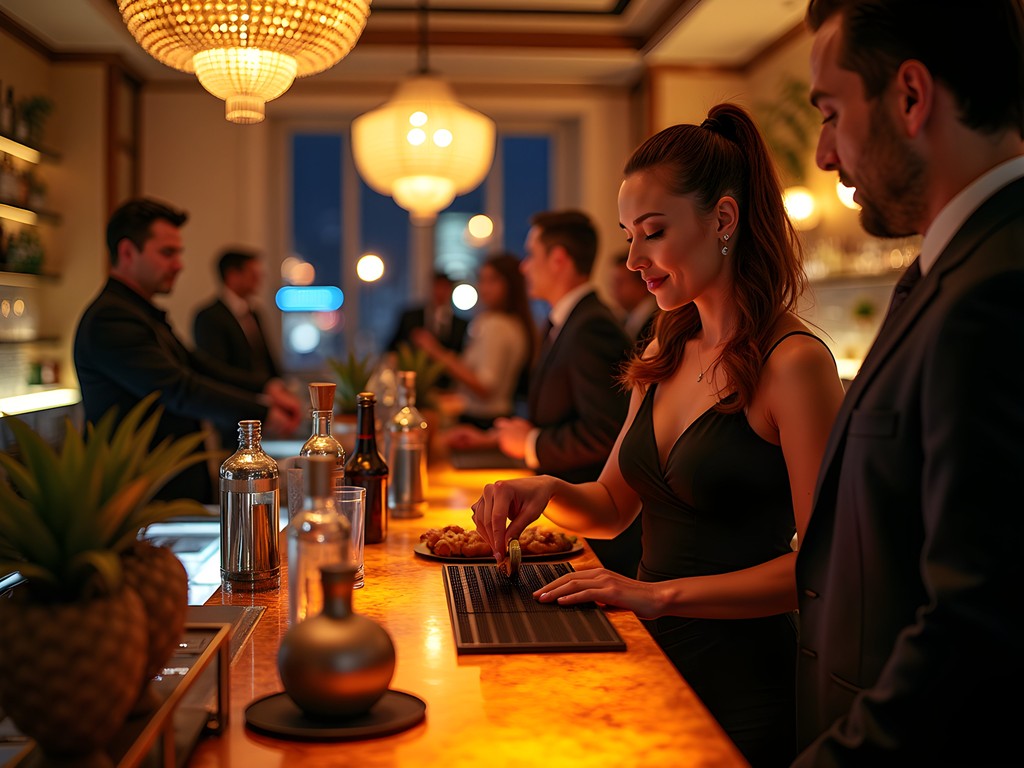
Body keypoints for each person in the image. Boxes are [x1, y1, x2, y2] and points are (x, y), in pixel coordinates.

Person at [470, 105, 846, 766]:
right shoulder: (665, 347)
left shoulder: (795, 364)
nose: (633, 259)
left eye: (652, 232)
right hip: (651, 659)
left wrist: (654, 594)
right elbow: (614, 510)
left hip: (744, 682)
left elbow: (823, 568)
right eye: (627, 235)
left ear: (723, 220)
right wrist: (547, 486)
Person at [792, 2, 1024, 765]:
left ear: (911, 97)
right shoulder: (945, 269)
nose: (824, 155)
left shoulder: (997, 288)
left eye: (830, 113)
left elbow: (977, 625)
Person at [450, 210, 642, 575]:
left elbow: (606, 433)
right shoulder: (568, 321)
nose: (524, 267)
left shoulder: (591, 327)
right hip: (568, 512)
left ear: (558, 259)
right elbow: (563, 412)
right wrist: (493, 438)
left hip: (593, 530)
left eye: (531, 255)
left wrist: (531, 443)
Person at [74, 198, 302, 504]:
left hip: (167, 487)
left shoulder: (139, 312)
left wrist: (266, 387)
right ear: (128, 252)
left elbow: (196, 365)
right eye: (168, 253)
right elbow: (178, 389)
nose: (179, 264)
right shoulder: (111, 318)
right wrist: (262, 413)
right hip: (141, 497)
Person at [412, 252, 536, 429]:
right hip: (495, 416)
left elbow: (485, 387)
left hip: (484, 420)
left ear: (510, 284)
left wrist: (436, 352)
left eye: (493, 280)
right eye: (482, 279)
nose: (484, 287)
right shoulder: (511, 322)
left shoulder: (497, 325)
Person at [193, 247, 285, 450]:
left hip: (264, 409)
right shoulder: (209, 317)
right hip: (232, 414)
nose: (259, 279)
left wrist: (279, 387)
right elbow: (217, 371)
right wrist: (264, 387)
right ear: (233, 276)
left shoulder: (254, 312)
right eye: (253, 274)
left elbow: (266, 359)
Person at [609, 250, 658, 348]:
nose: (614, 289)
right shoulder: (623, 320)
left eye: (620, 282)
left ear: (642, 283)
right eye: (613, 282)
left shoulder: (657, 323)